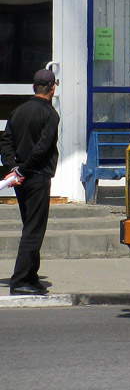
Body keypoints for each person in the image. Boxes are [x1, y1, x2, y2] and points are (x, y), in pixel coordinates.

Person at [0, 69, 60, 295]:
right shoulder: (50, 115)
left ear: (34, 87)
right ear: (52, 87)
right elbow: (43, 148)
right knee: (34, 230)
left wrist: (13, 169)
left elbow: (6, 143)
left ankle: (32, 276)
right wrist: (23, 169)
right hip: (37, 176)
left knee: (30, 226)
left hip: (21, 179)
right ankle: (21, 280)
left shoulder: (18, 111)